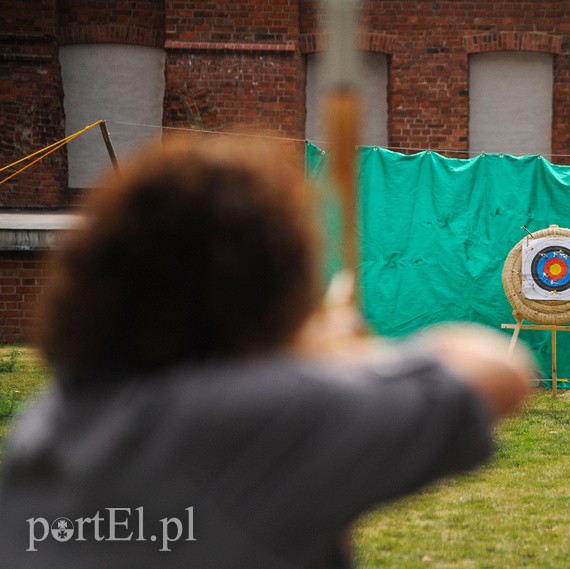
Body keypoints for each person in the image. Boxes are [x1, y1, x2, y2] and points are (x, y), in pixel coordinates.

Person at [0, 135, 533, 568]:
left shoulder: (48, 423)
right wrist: (331, 356)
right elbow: (499, 369)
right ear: (263, 283)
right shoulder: (252, 417)